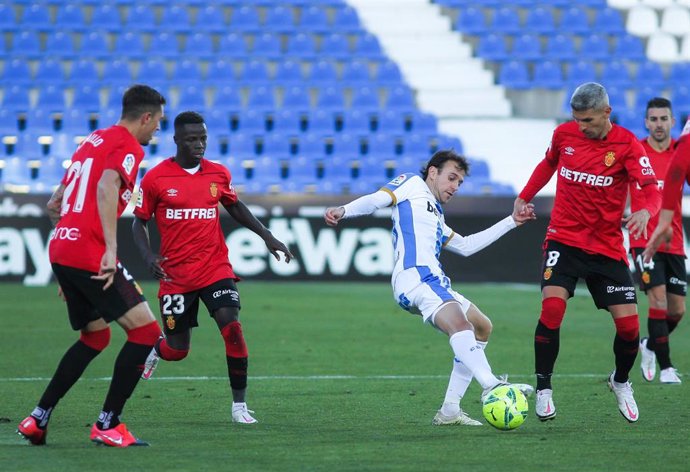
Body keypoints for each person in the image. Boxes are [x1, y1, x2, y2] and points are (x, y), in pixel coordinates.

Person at [324, 149, 536, 426]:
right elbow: (377, 199)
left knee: (482, 326)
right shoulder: (412, 184)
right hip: (417, 277)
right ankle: (492, 385)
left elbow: (466, 246)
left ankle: (450, 410)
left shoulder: (435, 215)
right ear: (432, 172)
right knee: (460, 326)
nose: (455, 187)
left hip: (433, 280)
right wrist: (344, 210)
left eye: (459, 182)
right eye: (451, 178)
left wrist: (512, 222)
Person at [17, 84, 167, 447]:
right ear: (145, 117)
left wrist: (69, 264)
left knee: (96, 336)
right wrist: (108, 249)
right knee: (147, 335)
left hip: (63, 248)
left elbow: (56, 203)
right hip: (89, 250)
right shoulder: (128, 147)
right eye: (158, 122)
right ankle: (107, 424)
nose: (158, 130)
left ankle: (38, 419)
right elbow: (105, 187)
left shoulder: (94, 140)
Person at [131, 111, 294, 425]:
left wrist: (267, 236)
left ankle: (239, 407)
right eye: (192, 139)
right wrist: (149, 257)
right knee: (178, 350)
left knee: (232, 328)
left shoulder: (218, 174)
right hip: (176, 275)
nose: (199, 144)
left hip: (215, 267)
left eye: (203, 138)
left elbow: (233, 205)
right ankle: (158, 348)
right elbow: (139, 222)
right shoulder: (155, 178)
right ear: (177, 140)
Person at [514, 82, 661, 424]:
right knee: (552, 309)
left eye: (588, 120)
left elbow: (651, 190)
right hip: (563, 238)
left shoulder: (627, 145)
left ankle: (620, 381)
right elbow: (547, 164)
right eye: (577, 120)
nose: (582, 126)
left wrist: (645, 212)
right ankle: (544, 388)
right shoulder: (564, 135)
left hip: (606, 247)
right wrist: (524, 196)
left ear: (607, 113)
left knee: (629, 329)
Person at [628, 98, 683, 385]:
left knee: (677, 310)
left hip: (673, 241)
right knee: (658, 300)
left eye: (664, 119)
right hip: (643, 240)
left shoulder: (681, 154)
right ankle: (666, 367)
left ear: (673, 122)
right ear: (646, 122)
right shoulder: (636, 152)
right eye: (654, 119)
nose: (659, 124)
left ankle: (649, 344)